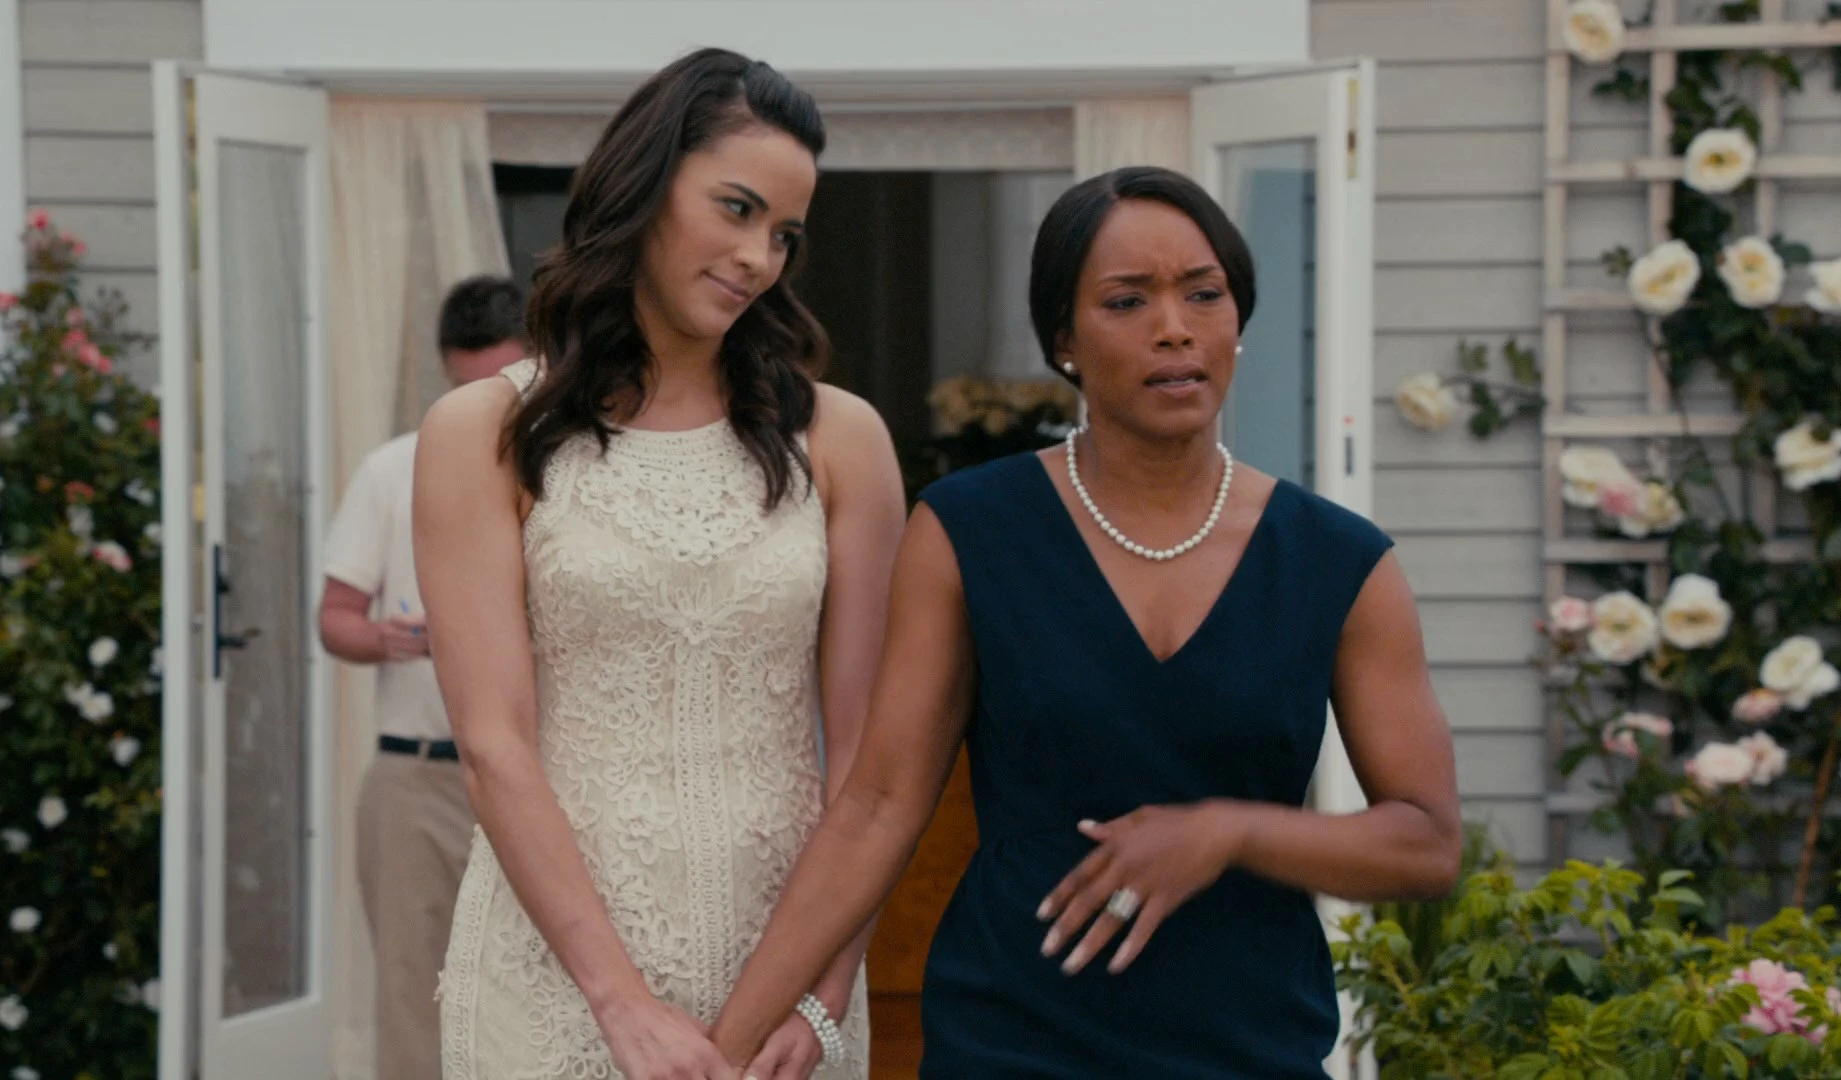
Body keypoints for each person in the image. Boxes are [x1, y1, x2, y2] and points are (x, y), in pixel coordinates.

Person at [708, 166, 1465, 1078]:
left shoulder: (1339, 561)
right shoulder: (969, 530)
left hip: (1249, 1045)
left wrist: (1228, 833)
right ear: (1063, 339)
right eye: (1127, 300)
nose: (1174, 327)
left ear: (1238, 318)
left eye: (1203, 293)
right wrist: (729, 1042)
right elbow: (877, 807)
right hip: (1009, 1038)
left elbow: (1426, 843)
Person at [414, 48, 903, 1080]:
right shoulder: (481, 433)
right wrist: (621, 1005)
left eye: (784, 234)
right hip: (560, 984)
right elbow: (495, 746)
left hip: (788, 987)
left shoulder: (842, 439)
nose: (759, 257)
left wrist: (826, 992)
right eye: (736, 208)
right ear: (644, 183)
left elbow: (870, 771)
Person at [317, 274, 530, 1079]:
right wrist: (385, 639)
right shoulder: (390, 470)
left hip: (546, 778)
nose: (482, 410)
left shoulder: (576, 463)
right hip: (420, 781)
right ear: (445, 371)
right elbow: (334, 616)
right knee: (414, 1002)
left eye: (499, 388)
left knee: (537, 1006)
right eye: (464, 389)